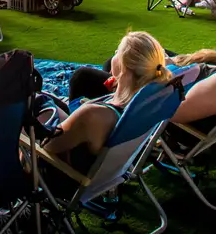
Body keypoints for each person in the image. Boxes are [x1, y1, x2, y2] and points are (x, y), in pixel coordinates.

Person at [43, 31, 175, 178]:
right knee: (53, 103)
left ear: (124, 68)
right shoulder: (148, 102)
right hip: (111, 173)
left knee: (39, 103)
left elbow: (48, 146)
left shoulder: (94, 114)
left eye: (117, 52)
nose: (114, 55)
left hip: (65, 176)